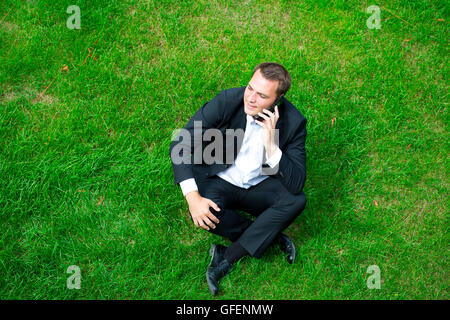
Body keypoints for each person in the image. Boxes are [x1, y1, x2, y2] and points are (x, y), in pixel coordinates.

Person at [169, 62, 307, 295]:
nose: (251, 98)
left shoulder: (293, 122)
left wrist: (272, 147)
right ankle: (268, 236)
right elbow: (180, 143)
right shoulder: (228, 101)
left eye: (262, 95)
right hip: (217, 178)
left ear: (278, 98)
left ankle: (226, 256)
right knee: (206, 213)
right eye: (250, 88)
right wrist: (192, 197)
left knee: (296, 200)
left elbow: (296, 183)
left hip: (257, 185)